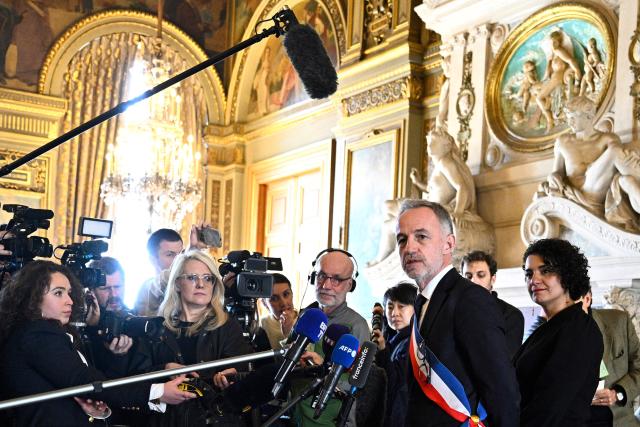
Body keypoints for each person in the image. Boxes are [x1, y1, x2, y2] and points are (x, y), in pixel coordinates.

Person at [0, 260, 195, 427]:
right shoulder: (37, 334)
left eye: (69, 293)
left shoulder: (44, 333)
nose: (70, 301)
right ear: (32, 298)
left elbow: (86, 388)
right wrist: (159, 392)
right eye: (58, 293)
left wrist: (101, 412)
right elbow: (85, 380)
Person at [395, 199, 519, 427]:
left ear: (448, 244)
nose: (409, 248)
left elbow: (502, 391)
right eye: (402, 240)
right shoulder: (422, 301)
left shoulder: (470, 299)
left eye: (421, 236)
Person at [135, 250, 253, 426]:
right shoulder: (155, 327)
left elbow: (244, 375)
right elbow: (137, 384)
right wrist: (165, 369)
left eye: (208, 278)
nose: (201, 284)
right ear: (177, 284)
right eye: (192, 277)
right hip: (165, 421)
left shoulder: (228, 325)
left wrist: (232, 376)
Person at [514, 238, 604, 427]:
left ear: (567, 274)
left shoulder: (578, 329)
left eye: (545, 271)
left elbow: (550, 407)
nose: (534, 280)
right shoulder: (550, 326)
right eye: (529, 273)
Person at [539, 96, 640, 231]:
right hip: (578, 194)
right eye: (568, 117)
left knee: (628, 180)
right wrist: (553, 176)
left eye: (573, 117)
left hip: (598, 192)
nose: (570, 122)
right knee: (618, 156)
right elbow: (557, 171)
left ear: (588, 116)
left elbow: (622, 159)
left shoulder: (607, 138)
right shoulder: (563, 141)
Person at [295, 248, 370, 426]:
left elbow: (357, 387)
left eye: (336, 279)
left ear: (350, 285)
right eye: (321, 276)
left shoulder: (357, 326)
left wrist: (323, 368)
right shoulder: (307, 315)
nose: (326, 285)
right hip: (295, 415)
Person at [582, 291, 640, 426]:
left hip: (618, 420)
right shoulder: (555, 333)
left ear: (587, 298)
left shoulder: (619, 321)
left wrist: (618, 393)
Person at [461, 250, 525, 358]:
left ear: (493, 279)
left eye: (481, 275)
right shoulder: (451, 311)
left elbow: (505, 361)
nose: (473, 281)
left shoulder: (511, 315)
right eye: (468, 276)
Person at [371, 282, 417, 427]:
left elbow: (395, 382)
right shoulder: (393, 339)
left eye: (401, 306)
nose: (394, 313)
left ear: (416, 309)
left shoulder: (413, 343)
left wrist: (383, 351)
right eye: (390, 307)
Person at [135, 228, 184, 316]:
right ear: (153, 260)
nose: (178, 260)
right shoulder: (148, 287)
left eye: (181, 254)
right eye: (170, 255)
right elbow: (162, 285)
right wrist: (194, 248)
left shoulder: (187, 283)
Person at [255, 272, 298, 351]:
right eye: (274, 299)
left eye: (286, 294)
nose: (283, 303)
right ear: (265, 304)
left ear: (292, 294)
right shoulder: (262, 326)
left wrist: (290, 333)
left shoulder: (306, 317)